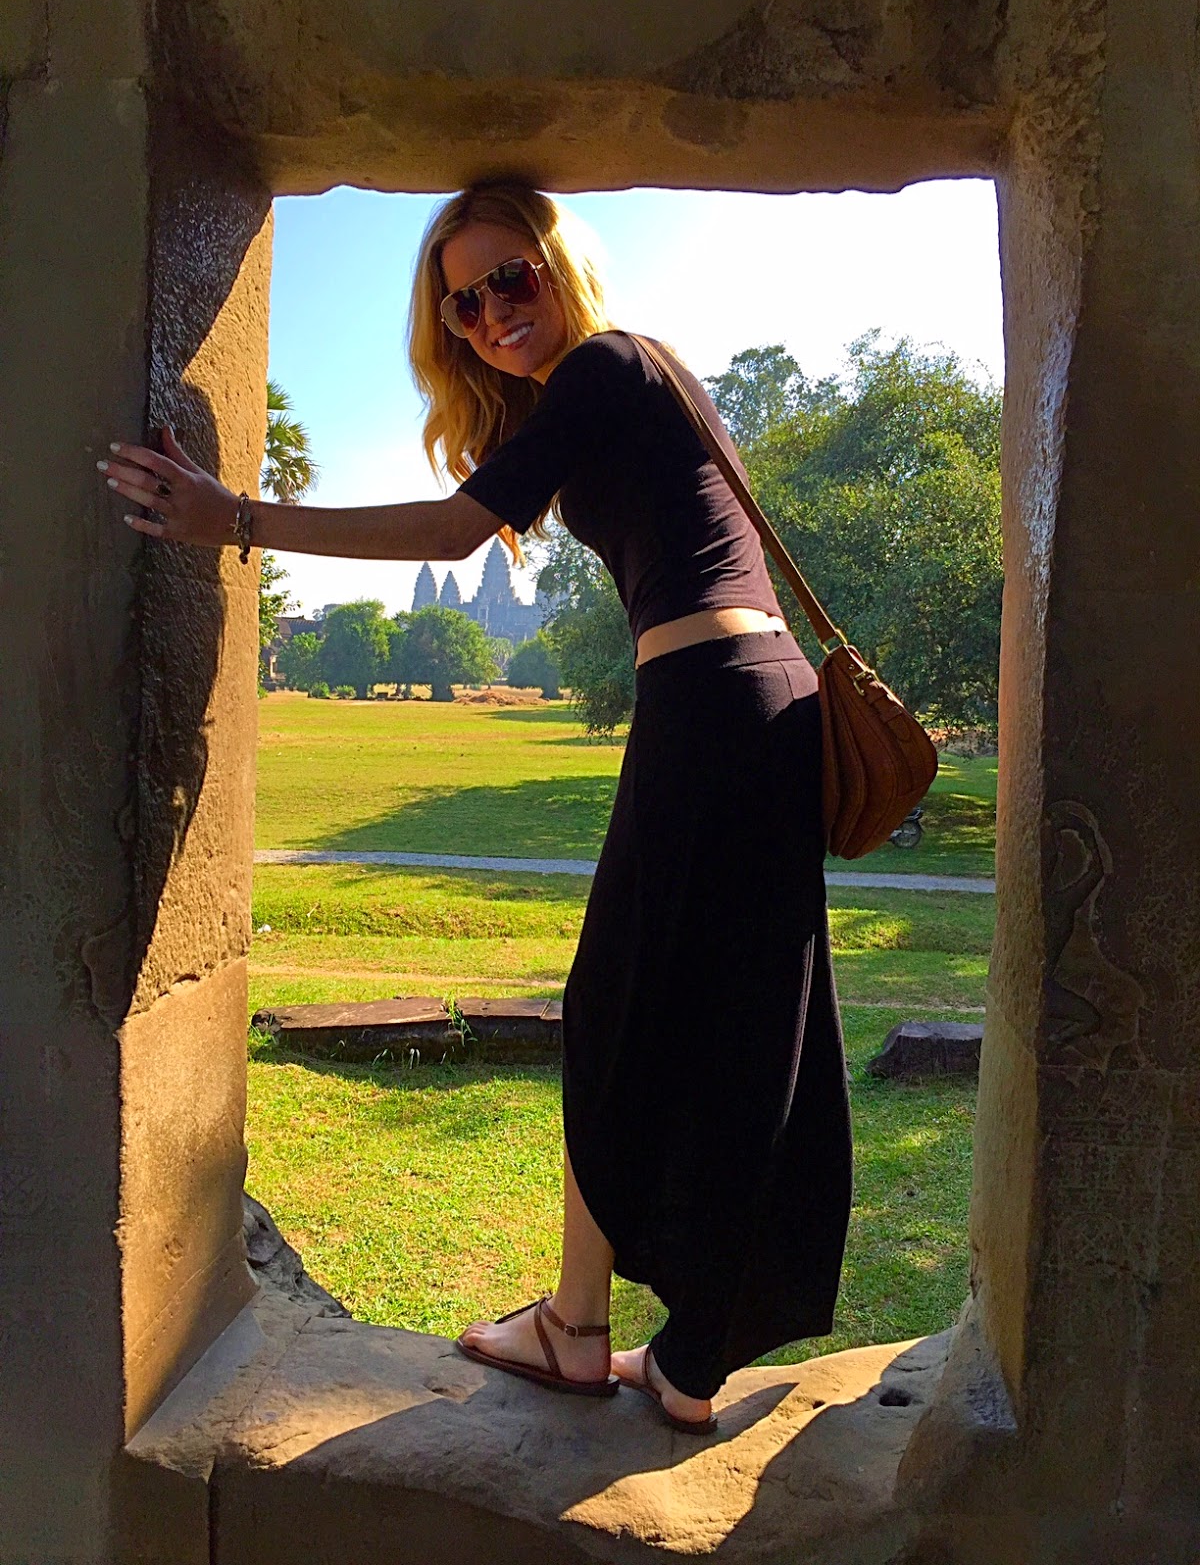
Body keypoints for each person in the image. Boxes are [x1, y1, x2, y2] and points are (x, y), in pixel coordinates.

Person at [97, 181, 853, 1435]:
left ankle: (580, 1326)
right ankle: (675, 1353)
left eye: (511, 275)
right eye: (462, 303)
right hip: (755, 707)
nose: (492, 311)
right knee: (723, 1017)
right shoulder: (628, 377)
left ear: (558, 262)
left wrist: (235, 520)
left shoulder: (604, 363)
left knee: (626, 1010)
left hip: (711, 705)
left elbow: (456, 531)